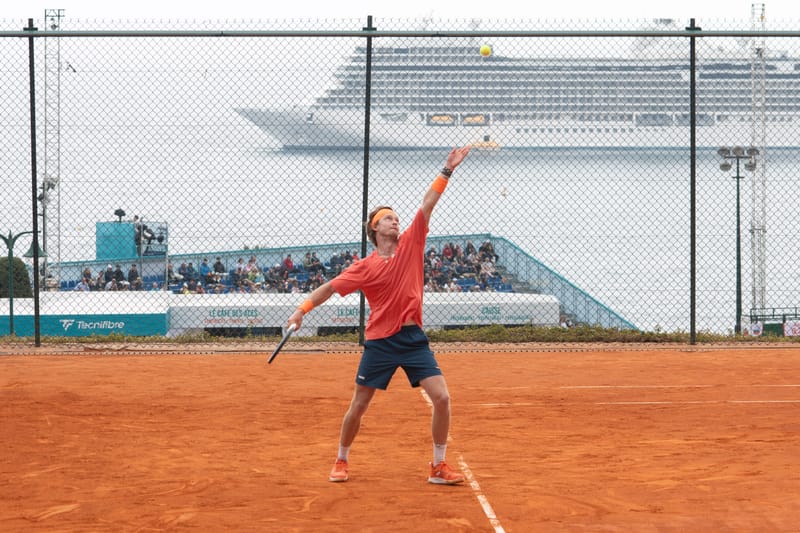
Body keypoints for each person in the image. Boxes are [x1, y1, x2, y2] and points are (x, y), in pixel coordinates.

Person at [285, 145, 472, 485]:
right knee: (359, 405)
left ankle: (438, 467)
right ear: (375, 229)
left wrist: (447, 169)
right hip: (381, 343)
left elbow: (428, 203)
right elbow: (327, 288)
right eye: (388, 218)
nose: (395, 221)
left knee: (442, 398)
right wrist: (300, 311)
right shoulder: (363, 268)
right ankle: (341, 459)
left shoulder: (412, 242)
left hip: (414, 339)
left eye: (396, 218)